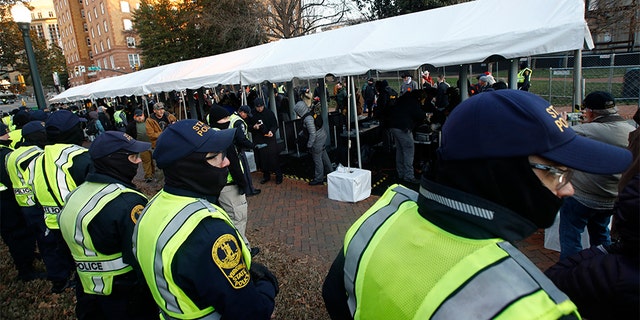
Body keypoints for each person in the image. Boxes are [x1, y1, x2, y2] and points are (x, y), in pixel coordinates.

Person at [322, 90, 632, 320]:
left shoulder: (380, 216)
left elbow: (335, 297)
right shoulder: (538, 309)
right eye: (557, 173)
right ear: (502, 173)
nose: (568, 189)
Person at [133, 120, 278, 319]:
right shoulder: (208, 230)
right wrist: (266, 286)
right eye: (217, 157)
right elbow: (251, 312)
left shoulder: (151, 207)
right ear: (191, 167)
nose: (226, 162)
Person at [57, 131, 157, 319]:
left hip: (88, 290)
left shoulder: (75, 195)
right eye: (133, 157)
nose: (137, 162)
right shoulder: (127, 201)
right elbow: (142, 256)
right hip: (126, 295)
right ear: (115, 161)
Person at [545, 171, 639, 320]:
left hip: (584, 197)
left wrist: (607, 251)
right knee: (601, 232)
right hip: (608, 199)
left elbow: (553, 280)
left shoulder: (609, 275)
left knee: (570, 237)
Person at [558, 91, 636, 260]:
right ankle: (601, 267)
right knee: (601, 237)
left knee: (570, 237)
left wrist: (562, 123)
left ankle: (570, 272)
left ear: (591, 112)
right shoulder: (631, 130)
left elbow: (558, 139)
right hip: (611, 198)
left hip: (582, 197)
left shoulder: (586, 130)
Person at [32, 109, 95, 293]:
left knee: (64, 256)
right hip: (79, 224)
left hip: (51, 222)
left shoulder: (38, 158)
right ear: (73, 131)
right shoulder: (79, 157)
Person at [208, 105, 260, 255]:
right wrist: (243, 183)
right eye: (225, 118)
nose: (228, 120)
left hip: (219, 187)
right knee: (238, 218)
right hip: (230, 186)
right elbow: (234, 164)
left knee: (230, 217)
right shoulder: (223, 138)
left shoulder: (210, 135)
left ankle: (243, 247)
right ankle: (243, 252)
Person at [0, 122, 40, 281]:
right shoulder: (4, 154)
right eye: (5, 132)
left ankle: (25, 258)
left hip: (4, 202)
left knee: (10, 235)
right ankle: (25, 270)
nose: (8, 135)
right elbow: (10, 178)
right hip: (8, 202)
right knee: (19, 234)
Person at [294, 88, 332, 186]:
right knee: (323, 154)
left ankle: (319, 178)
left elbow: (312, 133)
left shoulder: (307, 119)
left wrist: (309, 145)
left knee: (317, 159)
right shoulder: (309, 114)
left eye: (297, 112)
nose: (296, 114)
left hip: (317, 139)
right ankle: (331, 172)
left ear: (300, 111)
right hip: (322, 135)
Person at [387, 90, 426, 184]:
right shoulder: (413, 102)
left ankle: (401, 173)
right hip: (403, 127)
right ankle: (408, 176)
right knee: (408, 150)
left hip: (393, 126)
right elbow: (420, 115)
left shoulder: (403, 99)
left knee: (400, 150)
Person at [248, 97, 282, 185]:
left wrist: (272, 131)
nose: (259, 109)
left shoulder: (269, 113)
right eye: (257, 107)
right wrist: (253, 127)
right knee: (262, 159)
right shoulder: (252, 114)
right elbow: (248, 126)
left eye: (261, 107)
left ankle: (278, 176)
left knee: (274, 158)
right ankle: (266, 176)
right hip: (259, 138)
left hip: (269, 138)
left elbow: (275, 125)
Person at [232, 105, 260, 196]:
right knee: (245, 170)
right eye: (246, 114)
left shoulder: (232, 117)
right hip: (238, 150)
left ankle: (246, 189)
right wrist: (252, 146)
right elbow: (241, 138)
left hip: (233, 149)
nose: (247, 116)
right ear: (241, 112)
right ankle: (249, 190)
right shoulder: (239, 122)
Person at [126, 109, 155, 183]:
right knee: (146, 161)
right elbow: (128, 136)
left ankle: (155, 174)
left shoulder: (149, 122)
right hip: (141, 146)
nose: (139, 118)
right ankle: (148, 176)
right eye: (137, 116)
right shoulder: (131, 126)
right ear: (134, 117)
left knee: (154, 160)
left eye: (141, 116)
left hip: (153, 144)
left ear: (143, 115)